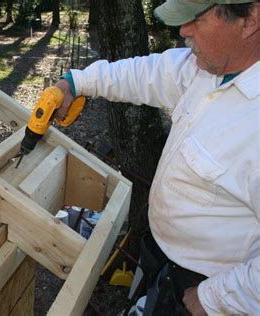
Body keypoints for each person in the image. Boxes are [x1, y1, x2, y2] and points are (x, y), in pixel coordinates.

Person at [52, 0, 259, 315]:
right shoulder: (209, 67)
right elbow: (146, 73)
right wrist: (78, 82)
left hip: (204, 286)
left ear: (250, 19)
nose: (183, 31)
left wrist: (216, 299)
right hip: (160, 255)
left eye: (197, 19)